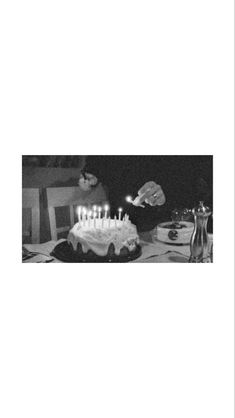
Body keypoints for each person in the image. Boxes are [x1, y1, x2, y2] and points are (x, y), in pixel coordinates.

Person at [78, 156, 213, 231]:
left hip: (164, 225)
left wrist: (166, 193)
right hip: (121, 224)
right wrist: (90, 176)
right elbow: (97, 165)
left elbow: (190, 176)